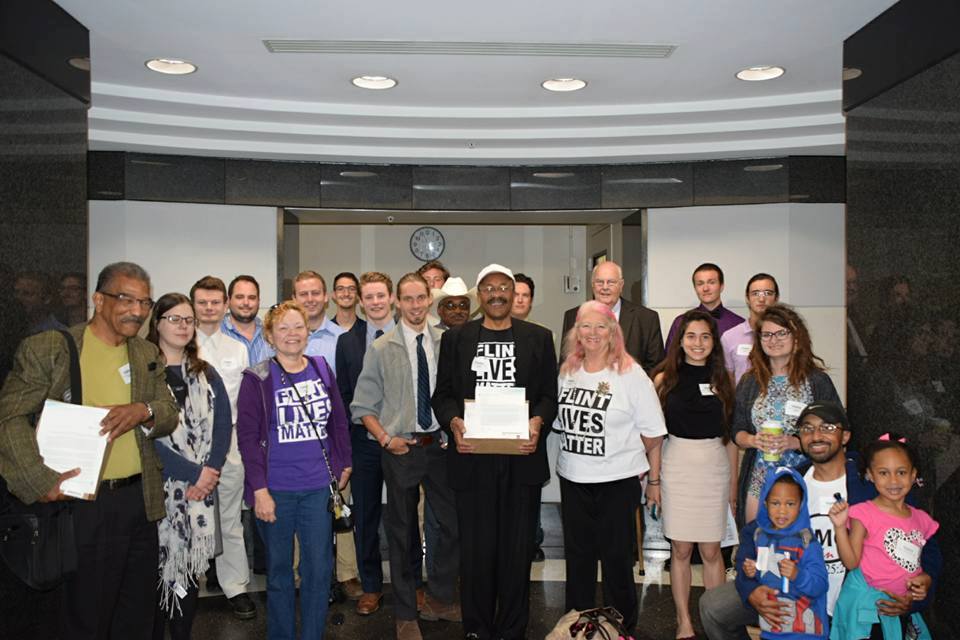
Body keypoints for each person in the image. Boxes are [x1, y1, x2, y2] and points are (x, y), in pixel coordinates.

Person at [0, 261, 179, 639]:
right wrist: (37, 480)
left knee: (136, 615)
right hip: (80, 505)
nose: (137, 310)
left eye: (145, 302)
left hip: (138, 504)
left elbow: (167, 412)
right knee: (85, 616)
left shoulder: (144, 353)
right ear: (98, 299)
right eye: (125, 299)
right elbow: (9, 418)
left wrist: (141, 411)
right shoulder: (52, 348)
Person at [699, 402, 942, 640]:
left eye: (827, 427)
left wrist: (923, 587)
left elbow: (924, 542)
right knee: (714, 607)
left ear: (845, 436)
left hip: (853, 599)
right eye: (807, 428)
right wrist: (751, 589)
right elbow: (754, 535)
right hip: (790, 590)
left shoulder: (876, 482)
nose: (816, 435)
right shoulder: (792, 482)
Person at [432, 263, 558, 640]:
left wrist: (538, 422)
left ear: (515, 292)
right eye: (489, 288)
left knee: (518, 552)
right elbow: (443, 396)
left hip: (522, 460)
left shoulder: (539, 337)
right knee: (476, 551)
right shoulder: (457, 339)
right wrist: (454, 422)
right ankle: (478, 628)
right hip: (473, 460)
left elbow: (549, 396)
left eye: (505, 287)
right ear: (479, 295)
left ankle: (513, 628)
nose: (498, 293)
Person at [352, 273, 462, 640]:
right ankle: (405, 614)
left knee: (453, 526)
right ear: (398, 302)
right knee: (401, 533)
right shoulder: (381, 348)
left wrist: (450, 429)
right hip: (401, 449)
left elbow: (452, 394)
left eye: (421, 298)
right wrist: (385, 439)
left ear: (430, 300)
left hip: (439, 448)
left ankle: (441, 598)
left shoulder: (445, 342)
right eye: (408, 299)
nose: (415, 306)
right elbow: (362, 406)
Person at [236, 301, 352, 640]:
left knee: (318, 570)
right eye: (283, 328)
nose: (292, 334)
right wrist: (259, 490)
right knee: (279, 573)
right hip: (275, 491)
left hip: (318, 489)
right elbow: (247, 439)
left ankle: (313, 634)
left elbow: (338, 422)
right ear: (269, 335)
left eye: (298, 327)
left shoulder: (321, 368)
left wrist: (344, 463)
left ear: (308, 331)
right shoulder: (256, 379)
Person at [555, 300, 665, 632]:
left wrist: (654, 481)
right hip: (574, 478)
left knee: (617, 562)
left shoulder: (631, 374)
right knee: (578, 562)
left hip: (617, 481)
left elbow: (653, 434)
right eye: (585, 326)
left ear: (612, 332)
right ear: (576, 332)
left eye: (600, 326)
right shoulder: (567, 372)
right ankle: (577, 626)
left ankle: (621, 629)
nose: (592, 333)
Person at [147, 293, 232, 640]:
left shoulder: (204, 372)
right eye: (174, 319)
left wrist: (209, 472)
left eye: (188, 320)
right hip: (158, 490)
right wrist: (193, 473)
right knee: (153, 573)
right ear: (157, 324)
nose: (183, 326)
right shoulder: (146, 373)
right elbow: (145, 437)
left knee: (189, 572)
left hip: (200, 493)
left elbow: (224, 422)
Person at [653, 309, 737, 639]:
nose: (698, 343)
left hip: (715, 464)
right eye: (691, 336)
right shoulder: (663, 380)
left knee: (713, 551)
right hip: (677, 464)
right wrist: (655, 480)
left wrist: (732, 484)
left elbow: (731, 437)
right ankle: (683, 620)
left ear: (713, 342)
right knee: (682, 550)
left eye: (705, 336)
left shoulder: (724, 381)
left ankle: (716, 619)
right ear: (680, 341)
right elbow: (654, 436)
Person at [732, 304, 841, 525]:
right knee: (757, 542)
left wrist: (797, 442)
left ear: (797, 338)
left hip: (805, 472)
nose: (774, 340)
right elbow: (736, 430)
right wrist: (753, 440)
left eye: (782, 333)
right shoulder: (750, 381)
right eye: (767, 334)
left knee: (800, 545)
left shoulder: (817, 381)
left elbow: (836, 430)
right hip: (760, 474)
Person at [190, 275, 256, 619]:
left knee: (230, 520)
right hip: (190, 444)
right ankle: (183, 583)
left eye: (216, 302)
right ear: (194, 305)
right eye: (203, 302)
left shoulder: (238, 348)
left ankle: (236, 587)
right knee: (187, 515)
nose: (210, 308)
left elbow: (244, 402)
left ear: (225, 304)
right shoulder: (181, 343)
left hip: (229, 442)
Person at [829, 436, 938, 640]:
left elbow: (916, 563)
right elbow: (851, 561)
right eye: (883, 473)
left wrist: (923, 583)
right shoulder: (863, 513)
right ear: (870, 476)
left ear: (913, 475)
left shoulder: (922, 519)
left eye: (902, 472)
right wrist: (839, 528)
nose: (894, 481)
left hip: (902, 609)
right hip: (870, 613)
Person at [335, 271, 397, 615]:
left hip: (403, 441)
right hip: (364, 441)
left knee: (402, 517)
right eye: (368, 297)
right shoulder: (347, 342)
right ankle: (371, 586)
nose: (375, 302)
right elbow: (344, 395)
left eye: (380, 295)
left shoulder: (410, 335)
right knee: (367, 515)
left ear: (391, 299)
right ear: (361, 301)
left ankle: (409, 585)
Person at [737, 468, 829, 639]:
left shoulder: (806, 541)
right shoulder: (760, 536)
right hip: (772, 629)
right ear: (765, 504)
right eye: (775, 503)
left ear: (801, 505)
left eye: (790, 504)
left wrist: (797, 575)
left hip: (804, 632)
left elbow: (821, 585)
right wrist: (754, 571)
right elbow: (767, 574)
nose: (782, 511)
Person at [561, 260, 664, 374]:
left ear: (621, 285)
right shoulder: (573, 316)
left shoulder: (646, 318)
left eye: (611, 282)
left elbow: (656, 367)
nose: (605, 287)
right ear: (592, 285)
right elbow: (567, 362)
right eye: (599, 282)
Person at [665, 263, 745, 349]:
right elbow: (670, 359)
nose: (705, 288)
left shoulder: (738, 324)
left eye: (711, 282)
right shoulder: (680, 322)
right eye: (700, 284)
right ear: (695, 288)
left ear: (721, 286)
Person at [721, 273, 780, 385]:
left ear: (776, 298)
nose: (761, 299)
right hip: (743, 401)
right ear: (747, 298)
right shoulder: (729, 337)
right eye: (755, 293)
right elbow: (729, 379)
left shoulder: (787, 336)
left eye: (768, 293)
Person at [293, 270, 345, 370]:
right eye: (303, 294)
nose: (310, 299)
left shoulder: (343, 338)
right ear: (294, 299)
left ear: (325, 297)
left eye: (315, 293)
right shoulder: (284, 340)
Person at [222, 274, 274, 366]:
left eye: (252, 298)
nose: (246, 303)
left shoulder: (271, 333)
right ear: (228, 301)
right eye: (239, 297)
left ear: (259, 301)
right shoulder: (217, 333)